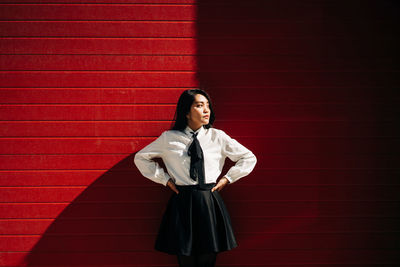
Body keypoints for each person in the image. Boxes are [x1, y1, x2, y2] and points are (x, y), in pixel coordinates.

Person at [134, 89, 257, 267]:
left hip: (209, 200)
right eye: (199, 106)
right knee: (185, 257)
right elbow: (141, 158)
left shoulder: (217, 137)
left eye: (208, 106)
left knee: (208, 257)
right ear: (186, 111)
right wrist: (165, 179)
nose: (206, 110)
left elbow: (248, 157)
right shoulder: (169, 139)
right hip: (182, 201)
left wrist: (227, 179)